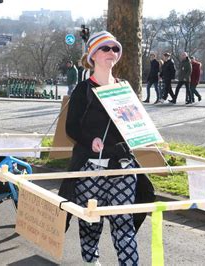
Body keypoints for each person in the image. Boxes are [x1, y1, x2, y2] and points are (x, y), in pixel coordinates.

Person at [60, 31, 154, 265]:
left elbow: (133, 121)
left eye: (115, 49)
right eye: (106, 48)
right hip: (90, 169)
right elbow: (70, 127)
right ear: (93, 55)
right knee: (91, 223)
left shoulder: (124, 87)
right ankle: (92, 262)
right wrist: (89, 140)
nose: (112, 53)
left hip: (122, 168)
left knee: (124, 224)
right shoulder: (83, 89)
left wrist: (144, 133)